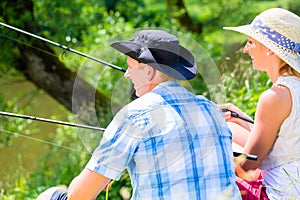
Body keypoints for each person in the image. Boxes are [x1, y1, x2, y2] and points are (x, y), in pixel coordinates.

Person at [37, 29, 241, 199]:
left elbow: (78, 196)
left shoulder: (136, 115)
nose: (126, 75)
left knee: (54, 196)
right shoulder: (210, 109)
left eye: (130, 67)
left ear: (149, 72)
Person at [220, 8, 300, 199]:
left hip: (280, 193)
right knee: (231, 125)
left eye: (250, 42)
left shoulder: (274, 96)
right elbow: (283, 138)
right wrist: (241, 117)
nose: (246, 49)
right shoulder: (293, 87)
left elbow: (248, 164)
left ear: (270, 48)